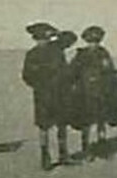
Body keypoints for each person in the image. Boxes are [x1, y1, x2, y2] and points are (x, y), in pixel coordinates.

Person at [65, 26, 117, 161]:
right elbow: (72, 72)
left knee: (101, 120)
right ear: (87, 41)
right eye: (91, 41)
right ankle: (86, 149)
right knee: (85, 122)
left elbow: (108, 70)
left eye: (96, 41)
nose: (94, 44)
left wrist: (115, 72)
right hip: (85, 93)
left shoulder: (103, 53)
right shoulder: (81, 55)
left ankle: (102, 146)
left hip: (102, 92)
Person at [21, 23, 76, 170]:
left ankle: (63, 154)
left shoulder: (56, 48)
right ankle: (45, 156)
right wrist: (39, 85)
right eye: (40, 39)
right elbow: (26, 76)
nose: (43, 42)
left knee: (61, 124)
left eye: (45, 39)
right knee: (44, 126)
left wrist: (56, 33)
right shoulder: (33, 54)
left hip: (59, 92)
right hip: (44, 94)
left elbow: (71, 37)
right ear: (35, 39)